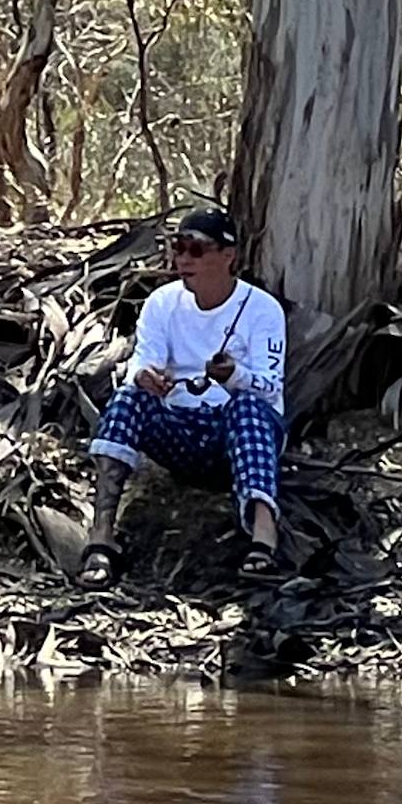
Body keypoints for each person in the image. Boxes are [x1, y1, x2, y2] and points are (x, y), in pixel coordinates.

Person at [79, 206, 288, 586]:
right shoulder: (162, 303)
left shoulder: (261, 310)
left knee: (248, 408)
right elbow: (143, 360)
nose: (183, 259)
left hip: (234, 433)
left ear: (228, 256)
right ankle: (102, 536)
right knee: (127, 399)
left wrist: (233, 376)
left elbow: (270, 386)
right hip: (180, 429)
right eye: (178, 247)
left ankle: (263, 536)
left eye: (197, 249)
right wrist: (146, 377)